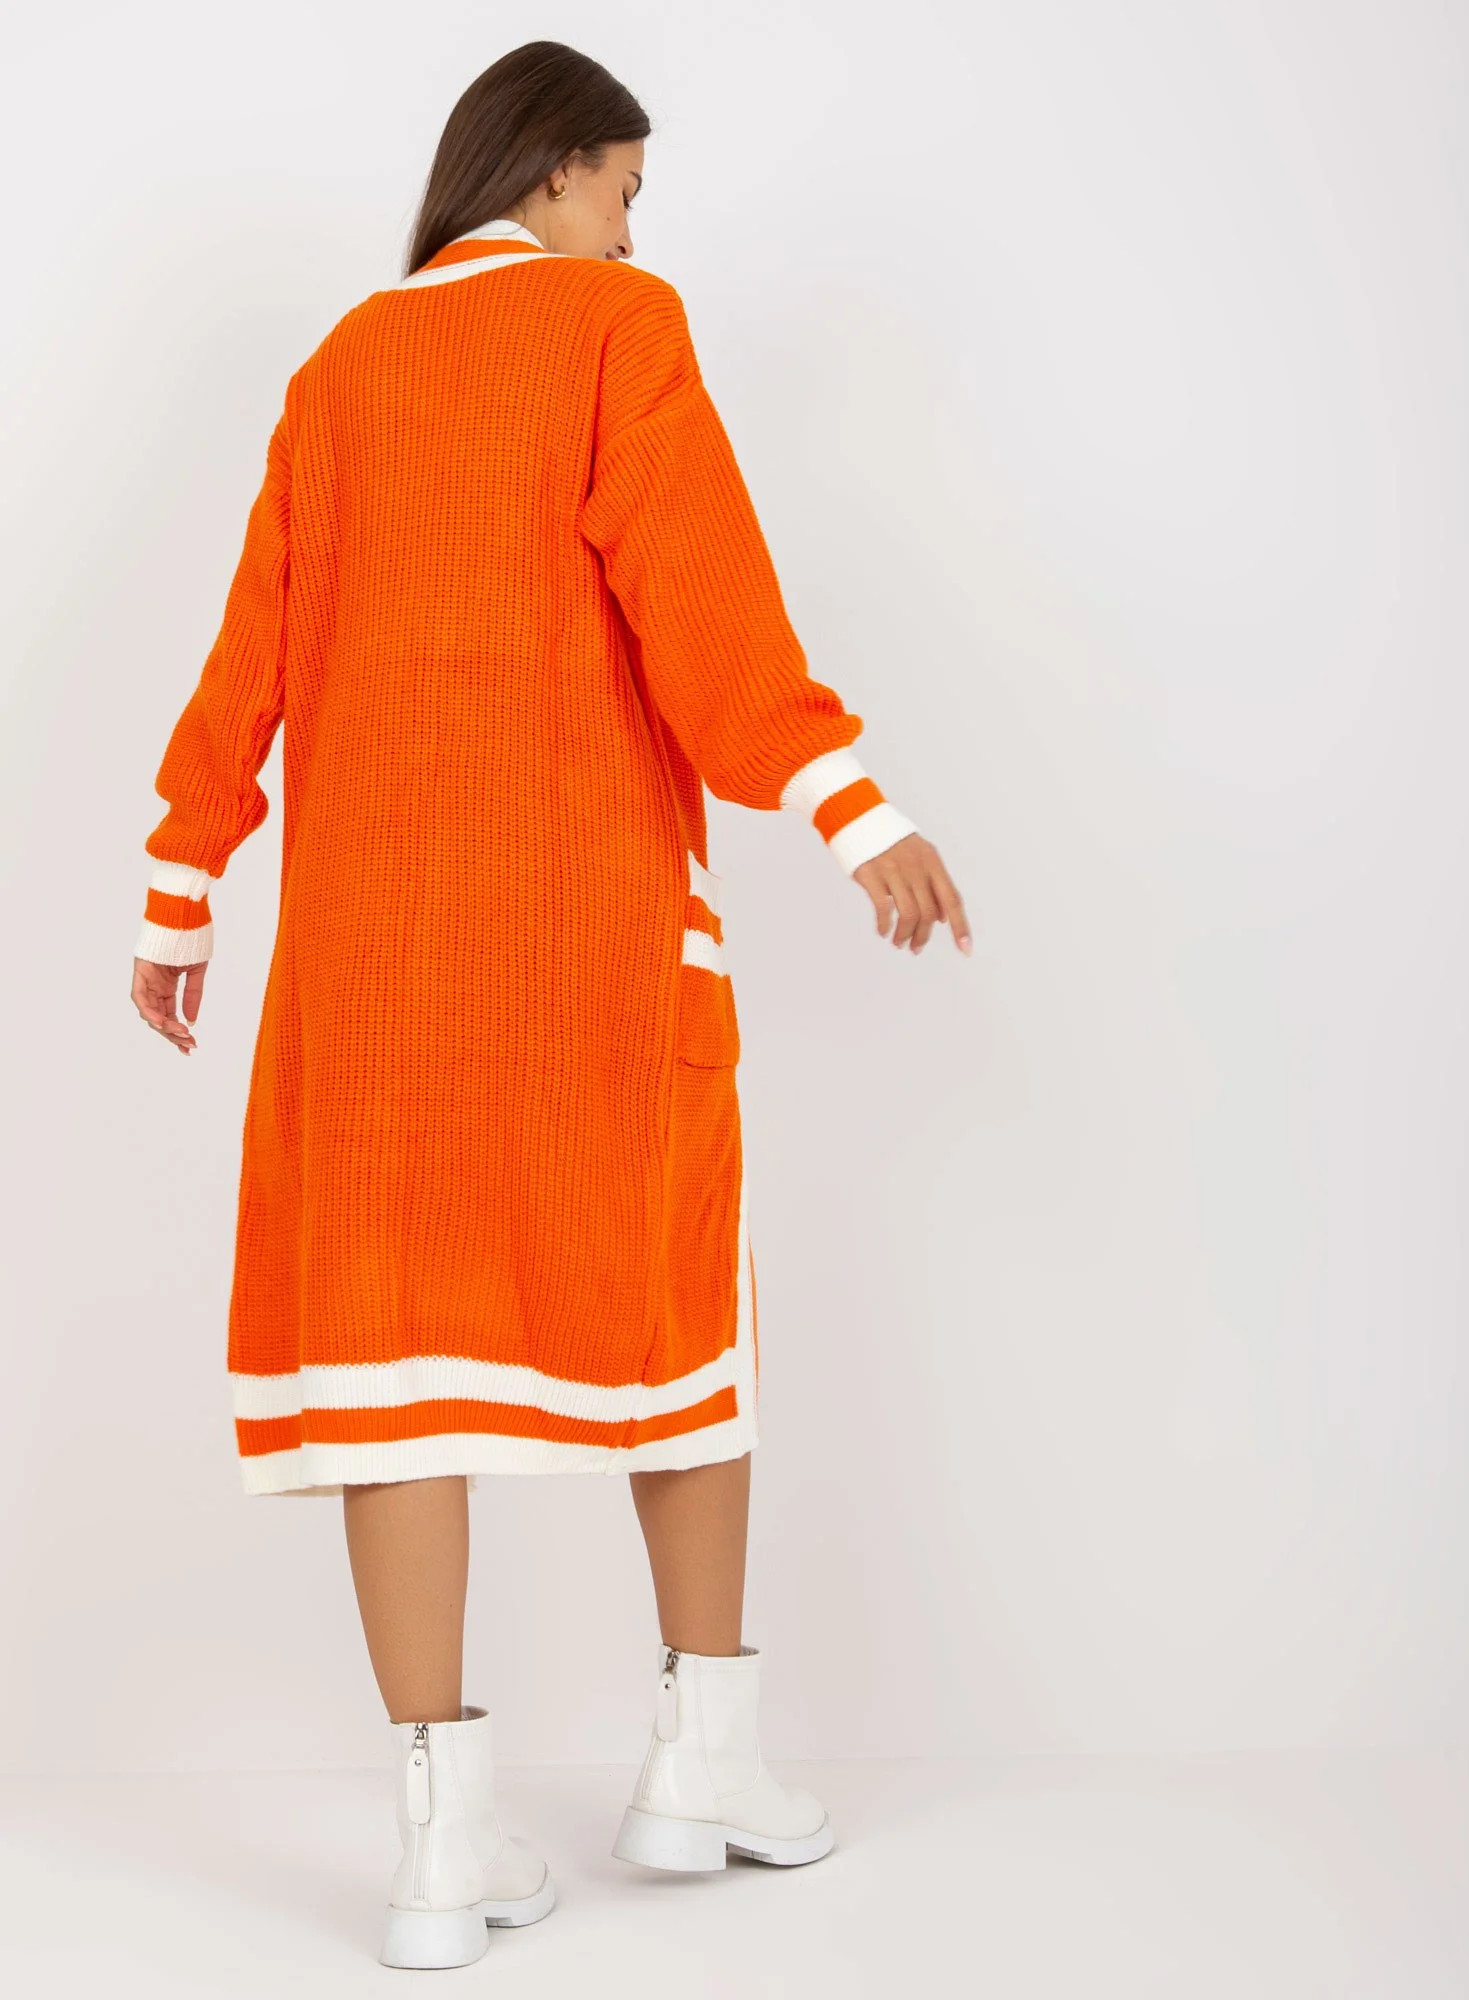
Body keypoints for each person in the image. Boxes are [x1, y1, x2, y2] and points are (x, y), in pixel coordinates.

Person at [129, 39, 971, 1971]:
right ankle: (705, 1765)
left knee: (390, 1373)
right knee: (678, 1318)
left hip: (372, 975)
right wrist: (857, 810)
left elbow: (251, 649)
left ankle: (440, 1849)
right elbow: (707, 602)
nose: (631, 233)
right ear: (558, 167)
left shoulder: (341, 369)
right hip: (582, 940)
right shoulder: (610, 329)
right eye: (626, 193)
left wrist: (181, 889)